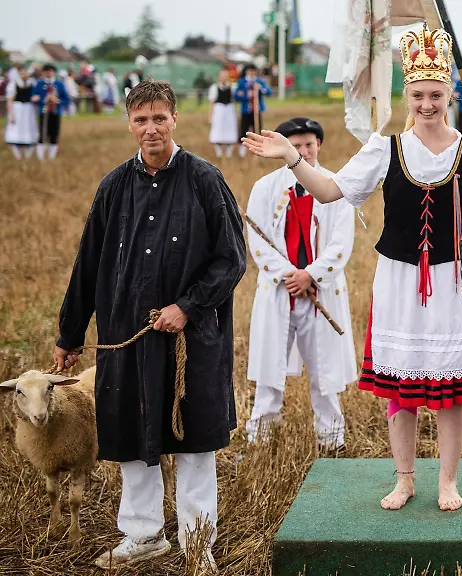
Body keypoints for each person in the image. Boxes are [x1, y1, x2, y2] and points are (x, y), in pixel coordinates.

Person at [242, 24, 462, 512]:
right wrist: (293, 158)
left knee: (452, 393)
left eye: (436, 95)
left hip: (457, 282)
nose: (428, 104)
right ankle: (405, 479)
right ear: (407, 95)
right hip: (400, 281)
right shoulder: (385, 149)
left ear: (450, 94)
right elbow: (330, 191)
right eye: (419, 95)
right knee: (402, 391)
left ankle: (447, 481)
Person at [53, 80, 246, 572]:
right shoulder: (114, 185)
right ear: (130, 123)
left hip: (191, 338)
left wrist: (187, 306)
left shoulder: (205, 179)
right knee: (132, 438)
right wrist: (69, 336)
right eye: (141, 120)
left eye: (159, 118)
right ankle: (142, 535)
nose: (151, 128)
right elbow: (88, 265)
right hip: (127, 338)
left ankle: (198, 544)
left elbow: (231, 260)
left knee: (193, 441)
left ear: (175, 119)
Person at [245, 117, 358, 450]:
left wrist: (312, 274)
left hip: (321, 294)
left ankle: (331, 440)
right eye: (295, 146)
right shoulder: (265, 188)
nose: (304, 151)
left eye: (309, 144)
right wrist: (289, 276)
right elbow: (258, 241)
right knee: (269, 375)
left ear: (319, 145)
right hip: (280, 293)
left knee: (325, 376)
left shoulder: (337, 186)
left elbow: (341, 243)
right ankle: (260, 441)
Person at [30, 64, 70, 160]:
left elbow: (66, 100)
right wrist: (44, 99)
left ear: (54, 72)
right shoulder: (39, 84)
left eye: (50, 70)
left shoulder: (59, 84)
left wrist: (57, 101)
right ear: (43, 72)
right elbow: (34, 97)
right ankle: (41, 157)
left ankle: (51, 157)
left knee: (54, 134)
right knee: (42, 133)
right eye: (46, 71)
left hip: (56, 113)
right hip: (43, 112)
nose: (48, 73)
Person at [234, 65, 271, 158]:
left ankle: (257, 151)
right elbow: (236, 96)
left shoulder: (259, 81)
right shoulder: (242, 82)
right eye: (250, 71)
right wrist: (247, 95)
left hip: (257, 110)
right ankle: (241, 152)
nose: (251, 73)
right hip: (246, 111)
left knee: (257, 131)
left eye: (253, 71)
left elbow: (268, 92)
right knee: (244, 131)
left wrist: (261, 89)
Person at [5, 65, 38, 160]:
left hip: (29, 109)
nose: (23, 74)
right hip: (17, 109)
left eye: (24, 72)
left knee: (29, 130)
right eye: (21, 72)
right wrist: (11, 114)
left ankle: (27, 156)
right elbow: (10, 100)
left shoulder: (32, 83)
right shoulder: (14, 83)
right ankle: (18, 156)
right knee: (16, 131)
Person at [208, 69, 238, 159]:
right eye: (222, 76)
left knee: (230, 130)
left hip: (229, 110)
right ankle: (219, 153)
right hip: (219, 110)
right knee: (218, 130)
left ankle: (229, 153)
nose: (224, 78)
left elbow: (235, 100)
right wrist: (210, 115)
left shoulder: (232, 87)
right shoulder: (214, 87)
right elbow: (211, 102)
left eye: (226, 76)